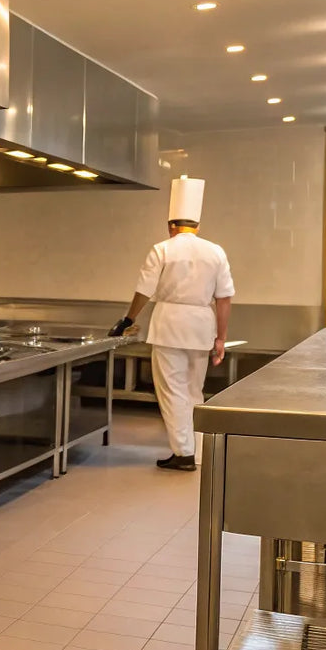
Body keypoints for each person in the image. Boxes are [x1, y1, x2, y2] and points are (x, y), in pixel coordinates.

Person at [108, 177, 234, 471]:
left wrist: (128, 319)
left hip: (169, 326)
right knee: (194, 391)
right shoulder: (215, 251)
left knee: (172, 390)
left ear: (170, 226)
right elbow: (224, 298)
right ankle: (197, 452)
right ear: (197, 226)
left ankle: (183, 453)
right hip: (202, 326)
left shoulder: (162, 249)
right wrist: (221, 338)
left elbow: (144, 291)